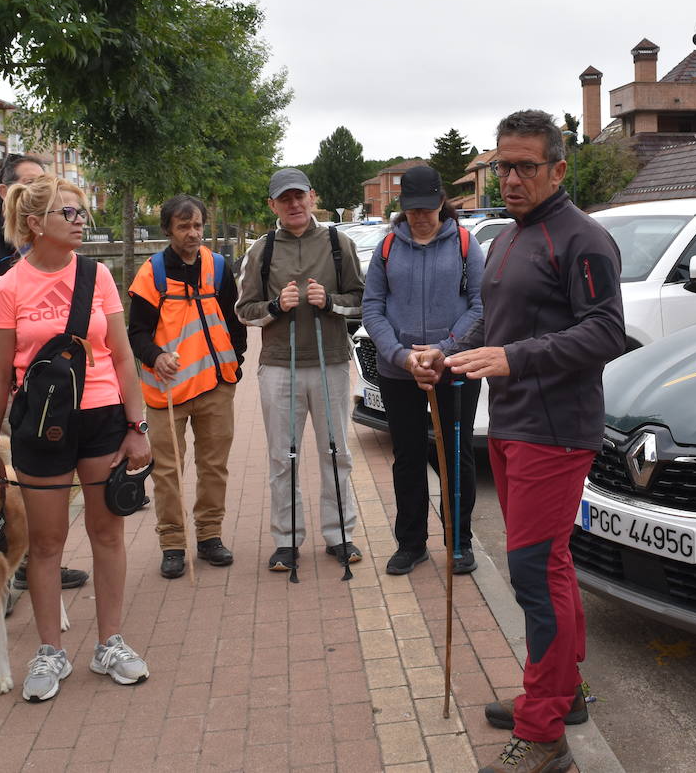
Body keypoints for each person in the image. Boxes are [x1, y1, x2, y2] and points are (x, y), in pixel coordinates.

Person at [418, 110, 625, 773]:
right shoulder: (509, 237)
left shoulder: (582, 239)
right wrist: (446, 354)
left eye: (524, 166)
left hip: (556, 432)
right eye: (502, 165)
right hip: (511, 425)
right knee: (550, 567)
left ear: (558, 169)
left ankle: (544, 735)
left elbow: (605, 335)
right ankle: (565, 693)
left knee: (534, 573)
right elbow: (494, 325)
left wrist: (516, 359)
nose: (509, 178)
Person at [0, 174, 152, 703]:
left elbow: (123, 356)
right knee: (47, 544)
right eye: (69, 214)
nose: (81, 222)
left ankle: (110, 643)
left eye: (82, 213)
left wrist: (137, 426)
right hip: (40, 427)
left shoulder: (97, 277)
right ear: (35, 224)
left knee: (108, 534)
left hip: (101, 418)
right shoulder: (7, 287)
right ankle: (50, 651)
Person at [0, 153, 90, 596]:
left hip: (38, 394)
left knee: (32, 493)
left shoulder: (45, 251)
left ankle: (34, 563)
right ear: (6, 194)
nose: (40, 193)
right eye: (30, 185)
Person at [235, 169, 365, 573]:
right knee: (282, 458)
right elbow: (244, 310)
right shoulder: (262, 250)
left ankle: (340, 535)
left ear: (312, 197)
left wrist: (328, 301)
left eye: (299, 197)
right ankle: (287, 540)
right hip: (279, 366)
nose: (293, 205)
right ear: (273, 205)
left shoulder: (337, 243)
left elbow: (360, 302)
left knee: (336, 453)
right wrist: (275, 307)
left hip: (331, 363)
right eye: (283, 199)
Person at [361, 166, 484, 576]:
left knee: (456, 456)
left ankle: (459, 541)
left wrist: (444, 349)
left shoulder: (466, 244)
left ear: (441, 202)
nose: (420, 217)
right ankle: (411, 543)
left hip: (455, 369)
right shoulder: (386, 248)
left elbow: (481, 307)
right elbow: (372, 308)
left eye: (427, 209)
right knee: (408, 457)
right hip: (401, 372)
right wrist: (401, 356)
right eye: (412, 210)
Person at [127, 194, 246, 578]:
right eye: (184, 227)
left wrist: (236, 360)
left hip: (215, 385)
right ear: (168, 230)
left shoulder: (218, 267)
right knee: (167, 470)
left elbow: (234, 320)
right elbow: (137, 332)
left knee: (214, 466)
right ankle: (173, 544)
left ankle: (210, 536)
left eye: (197, 225)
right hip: (168, 391)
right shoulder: (152, 274)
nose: (193, 234)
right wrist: (155, 356)